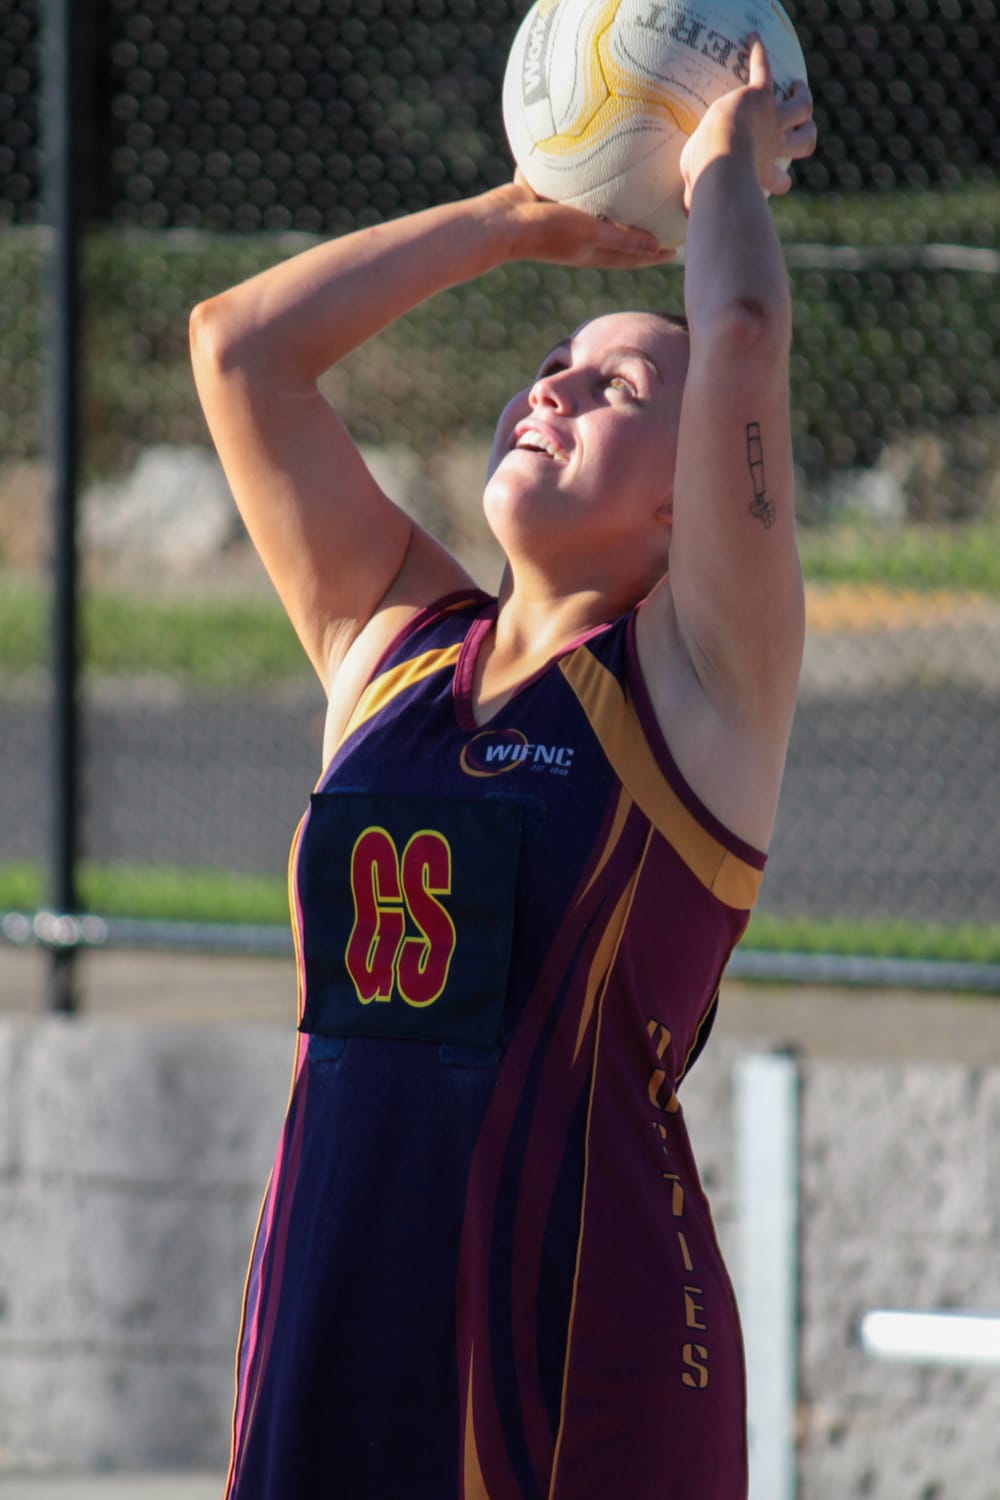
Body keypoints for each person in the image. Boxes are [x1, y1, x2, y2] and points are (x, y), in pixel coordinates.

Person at [190, 38, 816, 1500]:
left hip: (568, 1359)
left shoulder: (701, 683)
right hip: (328, 1311)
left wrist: (719, 157)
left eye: (610, 383)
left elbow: (734, 326)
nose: (554, 386)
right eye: (550, 363)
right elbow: (241, 348)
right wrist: (523, 212)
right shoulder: (388, 650)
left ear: (685, 504)